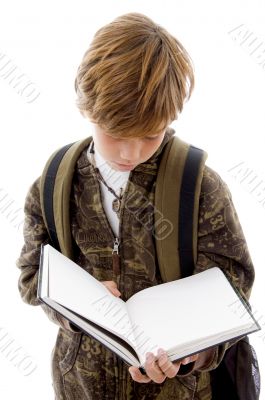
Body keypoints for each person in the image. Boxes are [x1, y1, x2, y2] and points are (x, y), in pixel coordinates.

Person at [16, 12, 255, 400]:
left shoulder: (201, 188)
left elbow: (232, 287)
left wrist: (194, 351)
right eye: (115, 134)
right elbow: (31, 276)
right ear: (87, 108)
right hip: (80, 389)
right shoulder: (53, 185)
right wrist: (78, 307)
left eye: (149, 135)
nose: (131, 152)